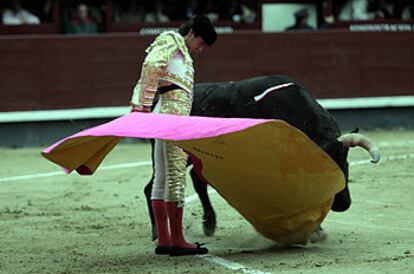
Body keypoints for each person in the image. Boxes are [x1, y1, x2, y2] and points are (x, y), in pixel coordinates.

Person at [130, 15, 217, 256]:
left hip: (166, 116)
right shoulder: (172, 41)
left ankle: (165, 240)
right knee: (175, 176)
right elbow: (151, 65)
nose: (200, 50)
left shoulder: (183, 53)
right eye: (200, 43)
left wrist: (144, 106)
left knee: (162, 177)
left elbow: (154, 69)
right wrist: (142, 104)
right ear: (191, 33)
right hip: (172, 120)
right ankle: (177, 240)